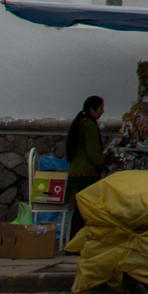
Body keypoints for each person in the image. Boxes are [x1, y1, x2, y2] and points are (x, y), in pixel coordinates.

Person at [63, 96, 107, 231]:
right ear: (91, 109)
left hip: (76, 171)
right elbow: (93, 151)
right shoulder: (90, 125)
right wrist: (101, 168)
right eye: (100, 108)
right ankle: (76, 239)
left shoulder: (80, 123)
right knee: (83, 209)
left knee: (79, 207)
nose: (103, 111)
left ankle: (73, 239)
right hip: (86, 172)